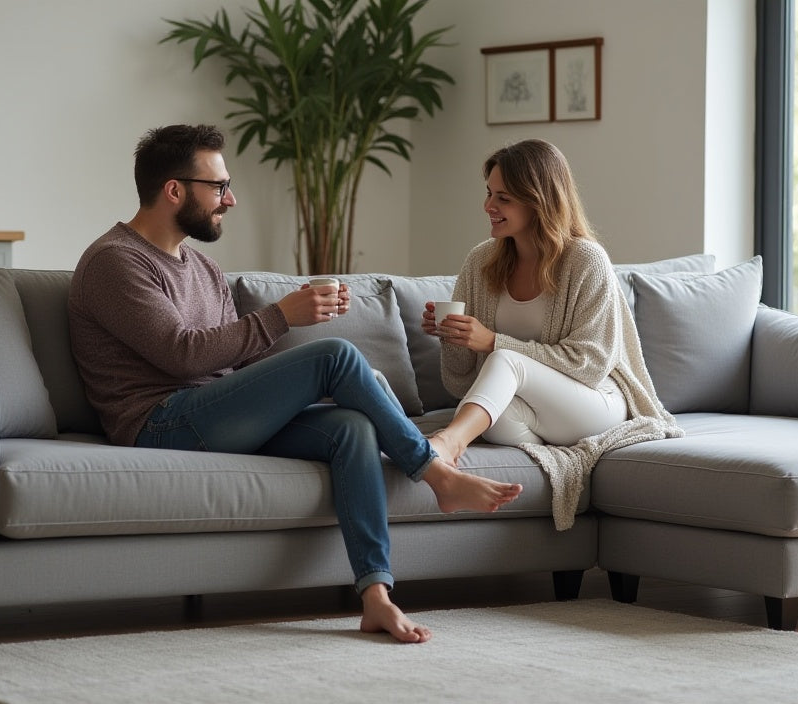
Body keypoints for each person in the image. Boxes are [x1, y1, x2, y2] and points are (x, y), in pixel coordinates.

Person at [68, 124, 523, 643]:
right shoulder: (114, 261)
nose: (230, 199)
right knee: (334, 354)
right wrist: (284, 317)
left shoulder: (203, 268)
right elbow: (181, 354)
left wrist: (314, 388)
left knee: (352, 426)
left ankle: (376, 595)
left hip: (211, 414)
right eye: (218, 187)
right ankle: (436, 474)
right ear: (174, 190)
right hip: (159, 421)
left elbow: (227, 370)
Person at [420, 139, 683, 530]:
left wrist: (492, 341)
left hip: (597, 401)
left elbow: (590, 365)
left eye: (503, 198)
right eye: (489, 194)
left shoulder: (586, 261)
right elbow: (461, 381)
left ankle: (447, 445)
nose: (489, 207)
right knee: (491, 413)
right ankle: (516, 440)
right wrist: (454, 337)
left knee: (503, 361)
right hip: (539, 413)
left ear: (538, 201)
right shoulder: (480, 262)